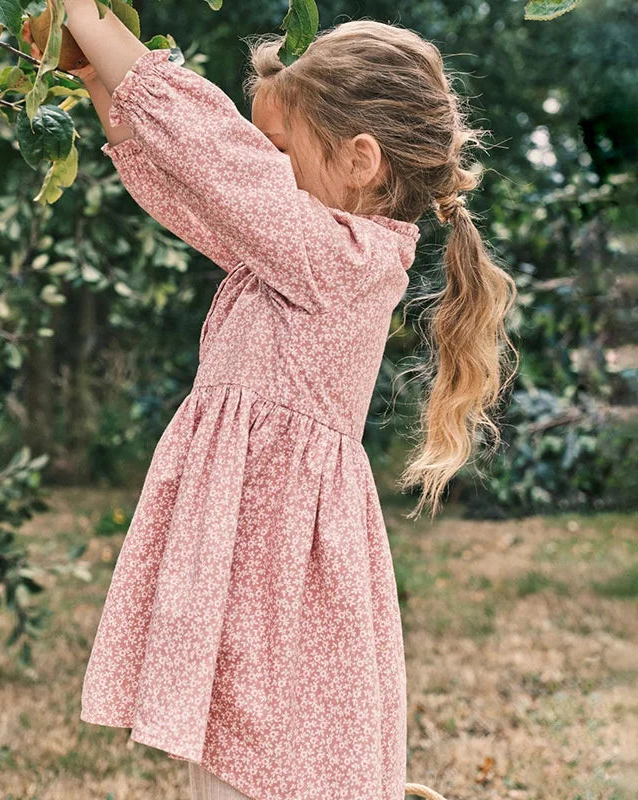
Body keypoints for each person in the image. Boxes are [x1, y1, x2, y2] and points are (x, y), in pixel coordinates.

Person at [26, 3, 518, 798]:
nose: (263, 166)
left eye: (280, 150)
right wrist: (100, 84)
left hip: (277, 553)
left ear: (360, 160)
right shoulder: (300, 247)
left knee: (267, 758)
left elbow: (221, 163)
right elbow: (199, 191)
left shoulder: (341, 258)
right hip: (253, 539)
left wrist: (85, 10)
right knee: (245, 752)